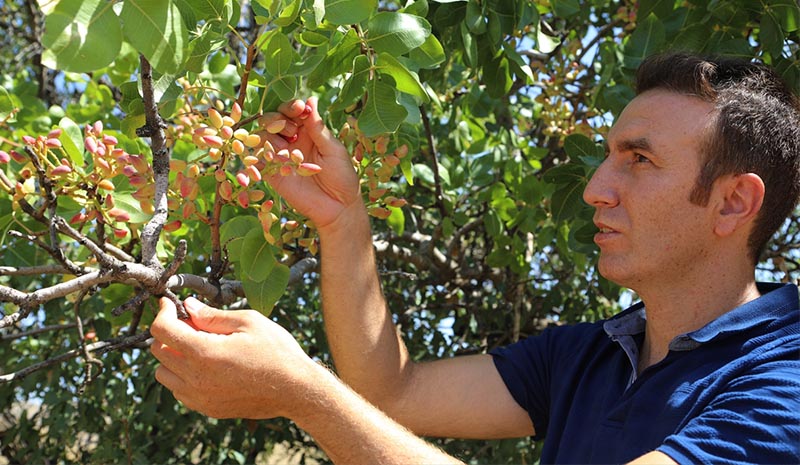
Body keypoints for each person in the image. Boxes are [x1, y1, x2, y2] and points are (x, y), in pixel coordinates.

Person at [150, 52, 800, 464]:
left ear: (733, 203)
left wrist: (302, 392)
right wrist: (341, 218)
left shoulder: (784, 385)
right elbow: (392, 393)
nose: (597, 187)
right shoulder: (589, 355)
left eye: (639, 159)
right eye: (609, 156)